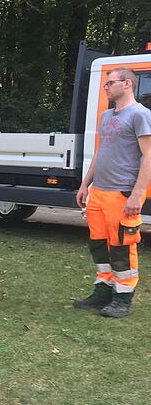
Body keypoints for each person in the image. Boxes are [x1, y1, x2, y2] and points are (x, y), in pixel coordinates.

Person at [74, 68, 151, 318]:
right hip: (99, 193)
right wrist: (86, 184)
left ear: (127, 84)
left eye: (110, 83)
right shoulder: (106, 116)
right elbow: (101, 152)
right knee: (99, 244)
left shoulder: (140, 115)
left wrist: (138, 195)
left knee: (121, 245)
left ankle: (123, 296)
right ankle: (104, 290)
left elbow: (149, 155)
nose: (106, 87)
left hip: (121, 193)